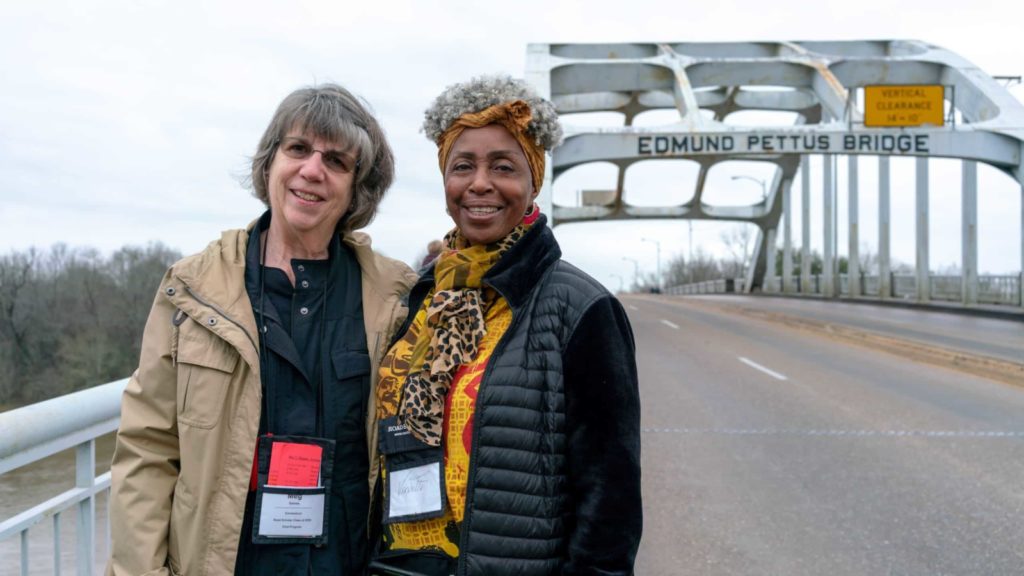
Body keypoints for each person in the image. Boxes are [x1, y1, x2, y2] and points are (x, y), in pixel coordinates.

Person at [106, 84, 417, 576]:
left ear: (358, 188)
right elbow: (147, 451)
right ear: (269, 162)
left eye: (336, 161)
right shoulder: (192, 290)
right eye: (298, 149)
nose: (312, 170)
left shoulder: (395, 299)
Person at [370, 75, 642, 576]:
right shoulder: (420, 297)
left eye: (503, 166)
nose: (480, 183)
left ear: (533, 180)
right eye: (463, 166)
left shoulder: (582, 309)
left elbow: (610, 498)